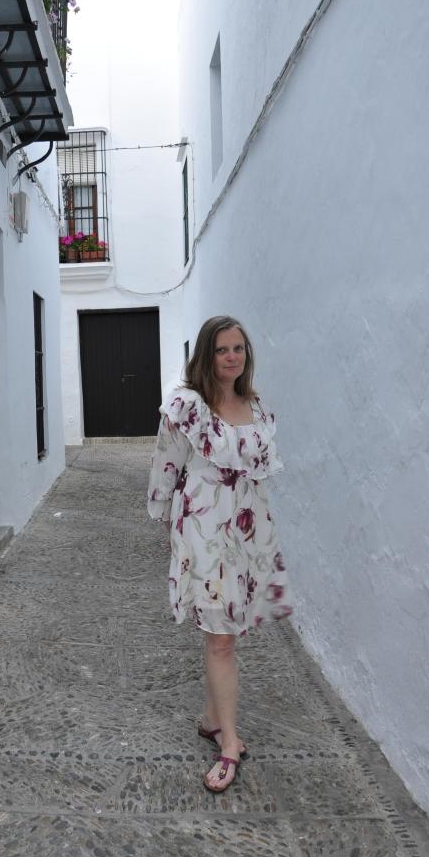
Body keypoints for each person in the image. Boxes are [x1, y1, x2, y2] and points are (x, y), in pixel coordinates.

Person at [147, 315, 294, 793]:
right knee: (221, 637)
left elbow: (258, 474)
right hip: (203, 531)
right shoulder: (188, 407)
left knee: (225, 632)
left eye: (239, 349)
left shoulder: (258, 409)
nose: (233, 357)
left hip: (247, 533)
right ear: (206, 356)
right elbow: (166, 465)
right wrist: (166, 520)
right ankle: (230, 742)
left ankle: (212, 718)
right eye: (222, 350)